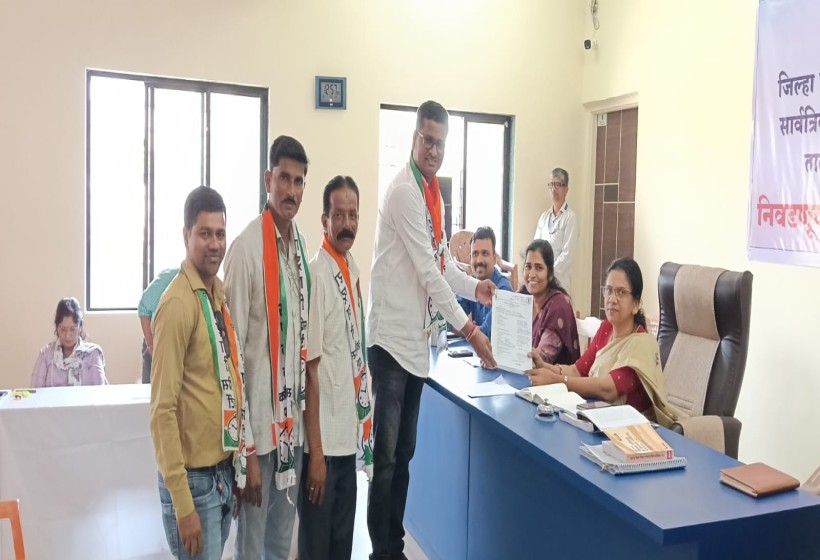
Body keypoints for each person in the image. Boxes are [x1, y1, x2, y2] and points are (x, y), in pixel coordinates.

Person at [366, 100, 496, 560]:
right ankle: (382, 551)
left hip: (415, 345)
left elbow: (441, 264)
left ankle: (393, 546)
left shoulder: (431, 195)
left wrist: (476, 287)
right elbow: (427, 272)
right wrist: (472, 332)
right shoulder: (405, 192)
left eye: (440, 143)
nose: (433, 150)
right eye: (427, 140)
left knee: (404, 454)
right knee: (386, 458)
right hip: (390, 342)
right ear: (414, 139)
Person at [224, 135, 316, 560]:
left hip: (290, 430)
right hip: (258, 435)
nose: (291, 191)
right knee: (251, 547)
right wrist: (245, 452)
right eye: (284, 178)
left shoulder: (299, 249)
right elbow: (232, 357)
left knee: (280, 545)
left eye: (299, 182)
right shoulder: (245, 250)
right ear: (268, 179)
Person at [150, 186, 253, 560]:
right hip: (194, 484)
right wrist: (182, 504)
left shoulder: (216, 298)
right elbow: (162, 411)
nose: (214, 244)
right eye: (204, 233)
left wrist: (236, 464)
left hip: (220, 473)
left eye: (220, 234)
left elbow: (227, 384)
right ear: (186, 236)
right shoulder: (177, 304)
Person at [298, 175, 373, 560]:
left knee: (341, 548)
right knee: (316, 550)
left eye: (353, 214)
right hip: (322, 448)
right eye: (338, 215)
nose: (347, 224)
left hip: (346, 442)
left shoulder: (352, 270)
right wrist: (315, 454)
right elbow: (309, 369)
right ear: (324, 220)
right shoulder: (317, 275)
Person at [526, 257, 675, 425]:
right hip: (597, 420)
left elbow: (607, 389)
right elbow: (577, 370)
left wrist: (557, 381)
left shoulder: (642, 345)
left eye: (621, 292)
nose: (612, 299)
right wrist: (544, 366)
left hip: (630, 428)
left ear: (635, 304)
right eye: (609, 290)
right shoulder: (606, 328)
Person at [519, 239, 579, 365]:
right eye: (528, 266)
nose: (531, 274)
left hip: (550, 376)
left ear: (550, 274)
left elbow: (543, 358)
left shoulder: (559, 305)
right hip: (521, 371)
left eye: (539, 268)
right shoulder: (521, 298)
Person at [30, 297, 106, 387]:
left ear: (80, 327)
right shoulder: (46, 354)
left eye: (73, 329)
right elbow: (35, 392)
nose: (67, 335)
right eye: (63, 329)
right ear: (57, 327)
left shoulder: (92, 354)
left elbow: (98, 393)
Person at [454, 226, 513, 338]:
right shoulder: (470, 284)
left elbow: (486, 332)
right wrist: (471, 329)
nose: (479, 260)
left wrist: (466, 328)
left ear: (494, 259)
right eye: (475, 254)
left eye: (485, 253)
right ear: (470, 259)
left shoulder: (504, 289)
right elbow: (453, 321)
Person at [534, 168, 577, 292]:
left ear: (566, 189)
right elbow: (535, 247)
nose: (553, 189)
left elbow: (567, 254)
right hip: (542, 281)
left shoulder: (570, 217)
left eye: (558, 185)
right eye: (551, 185)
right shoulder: (544, 217)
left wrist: (549, 273)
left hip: (560, 282)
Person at [138, 267, 179, 383]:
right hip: (156, 342)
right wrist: (151, 345)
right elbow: (143, 307)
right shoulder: (171, 277)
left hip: (181, 347)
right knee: (152, 390)